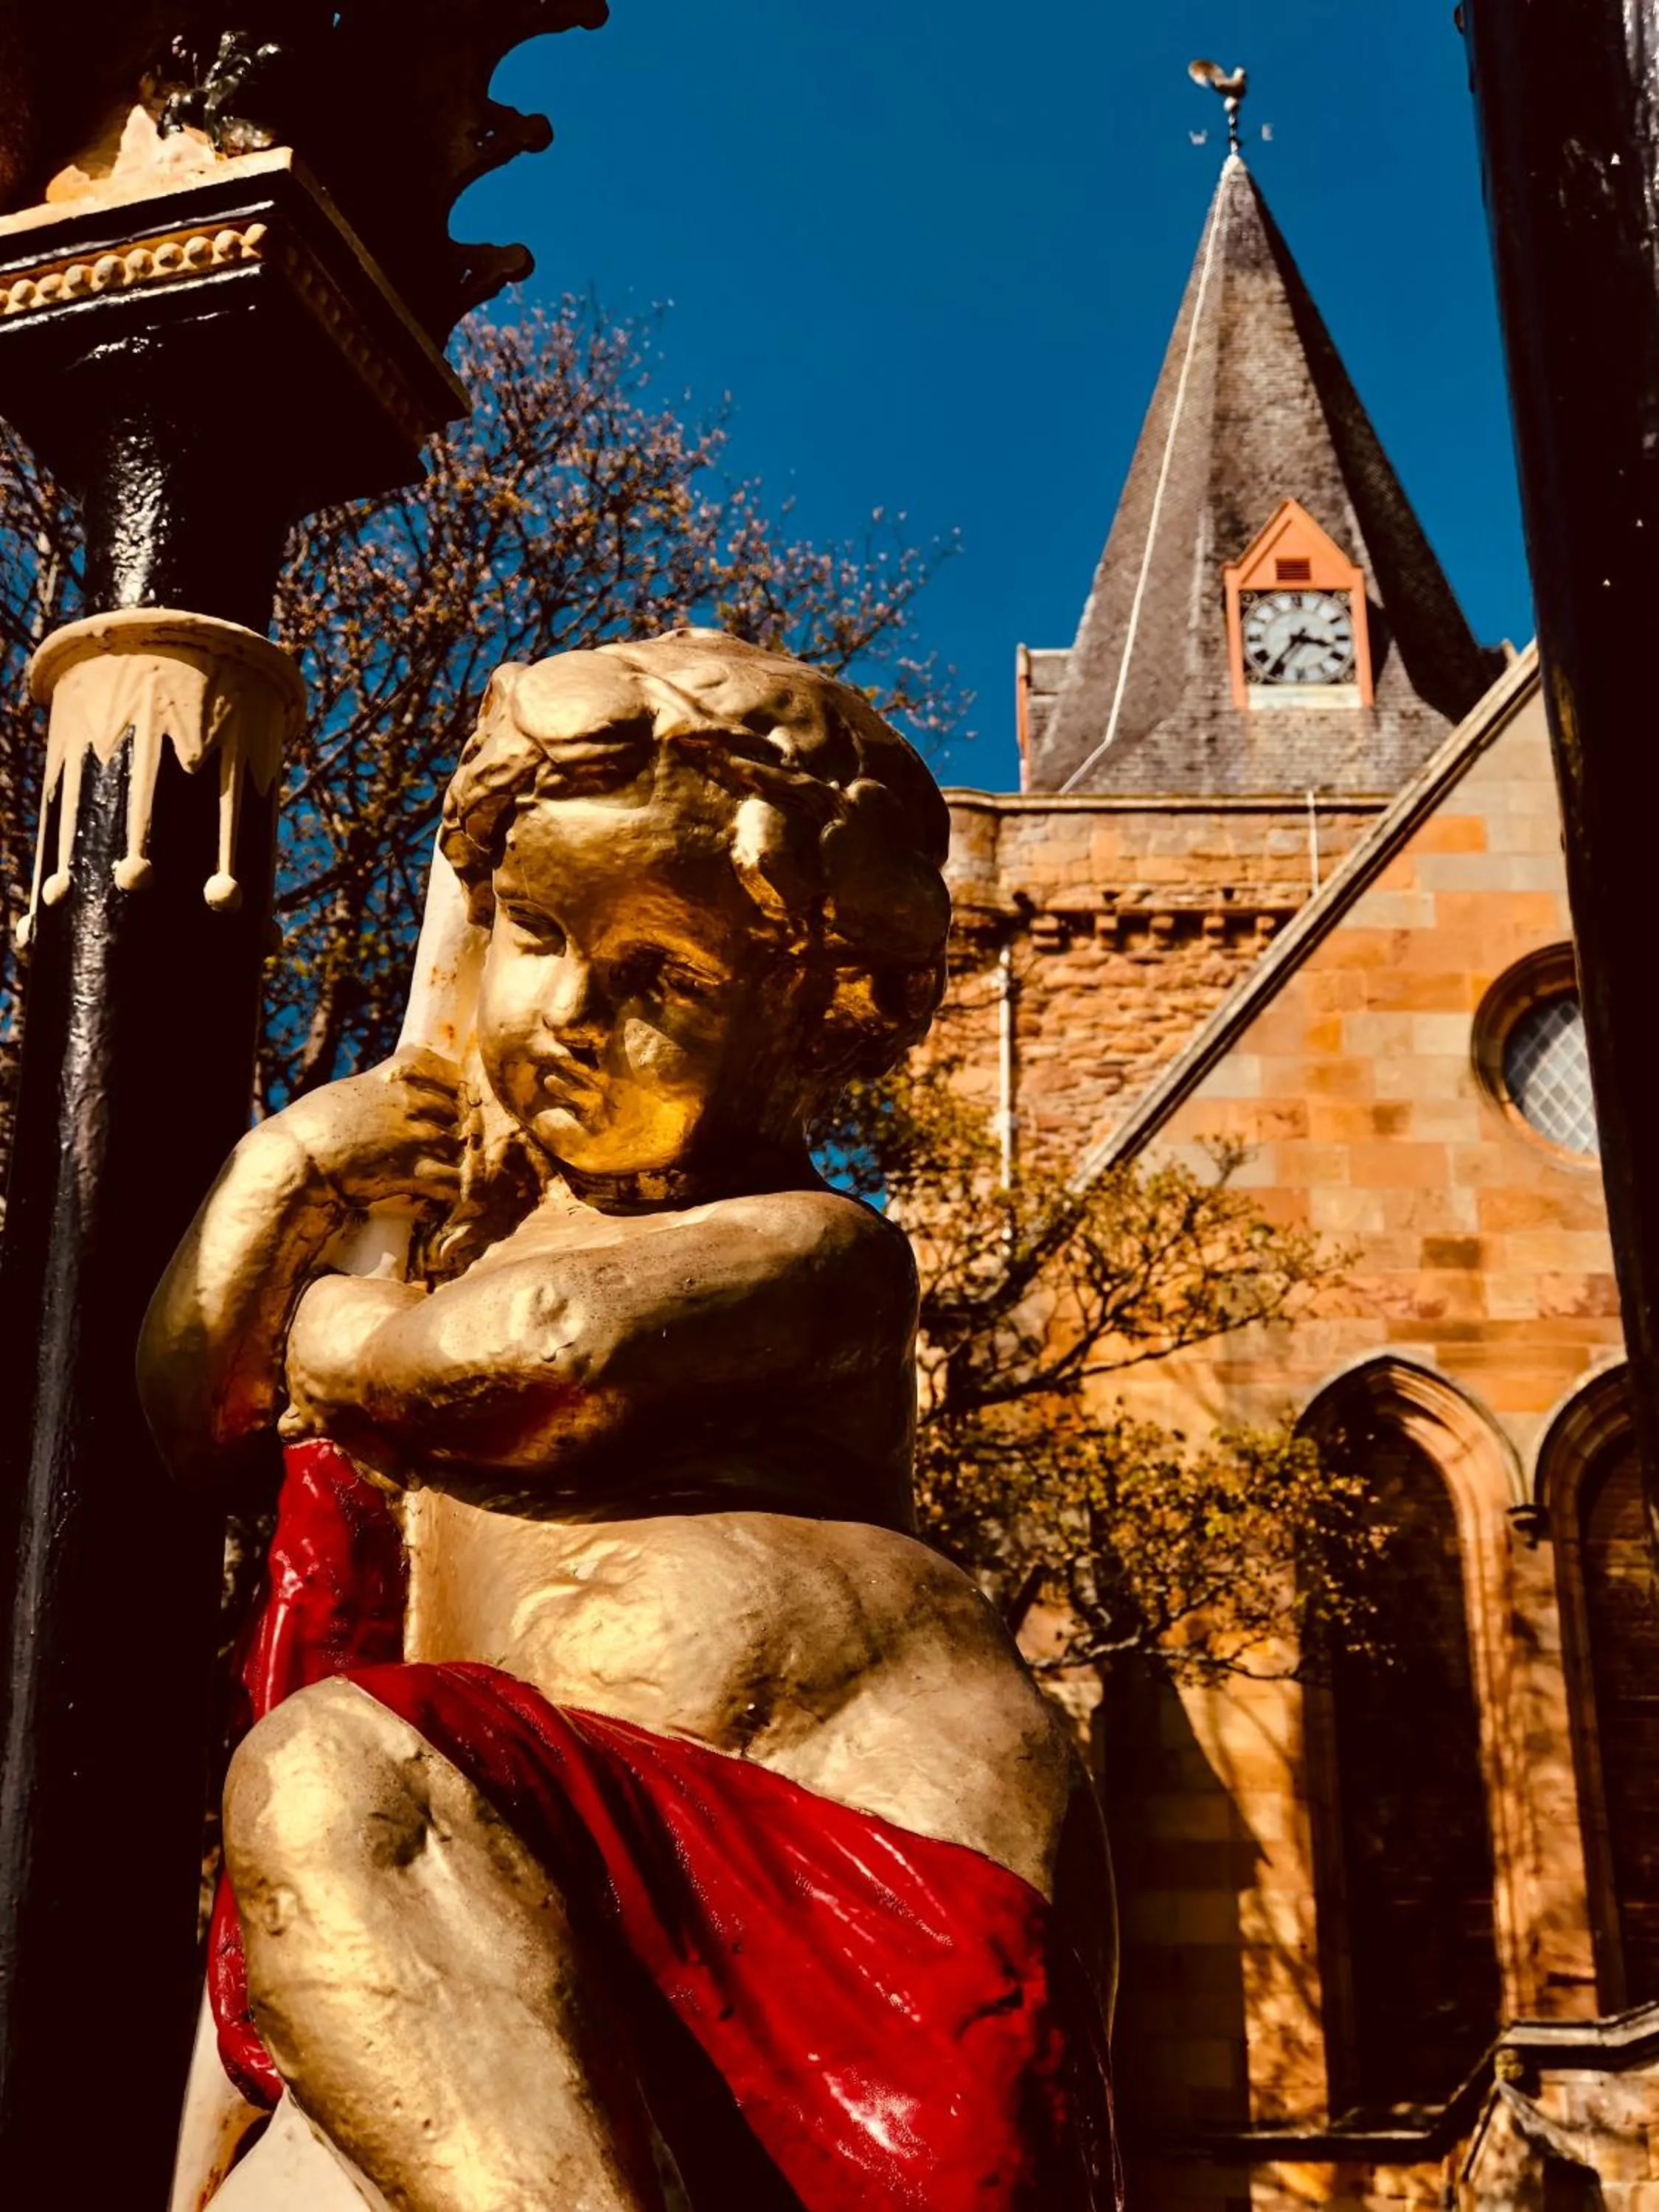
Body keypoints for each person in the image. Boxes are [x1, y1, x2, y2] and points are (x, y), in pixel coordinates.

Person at [141, 630, 1121, 2212]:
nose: (572, 1010)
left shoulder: (816, 1251)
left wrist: (323, 1323)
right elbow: (198, 1415)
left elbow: (547, 1351)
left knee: (331, 1777)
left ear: (822, 1019)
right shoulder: (445, 1249)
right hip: (534, 1849)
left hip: (834, 1890)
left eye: (665, 975)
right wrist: (287, 1174)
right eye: (536, 930)